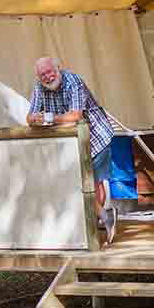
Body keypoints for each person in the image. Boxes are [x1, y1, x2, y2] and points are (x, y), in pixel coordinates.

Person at [26, 57, 117, 243]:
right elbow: (30, 117)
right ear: (38, 76)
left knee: (94, 182)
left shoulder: (73, 81)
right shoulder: (38, 88)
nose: (48, 77)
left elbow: (76, 116)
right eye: (43, 74)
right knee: (79, 183)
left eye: (50, 71)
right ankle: (104, 217)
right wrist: (35, 118)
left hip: (96, 137)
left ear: (58, 68)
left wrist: (48, 117)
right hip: (71, 143)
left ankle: (97, 224)